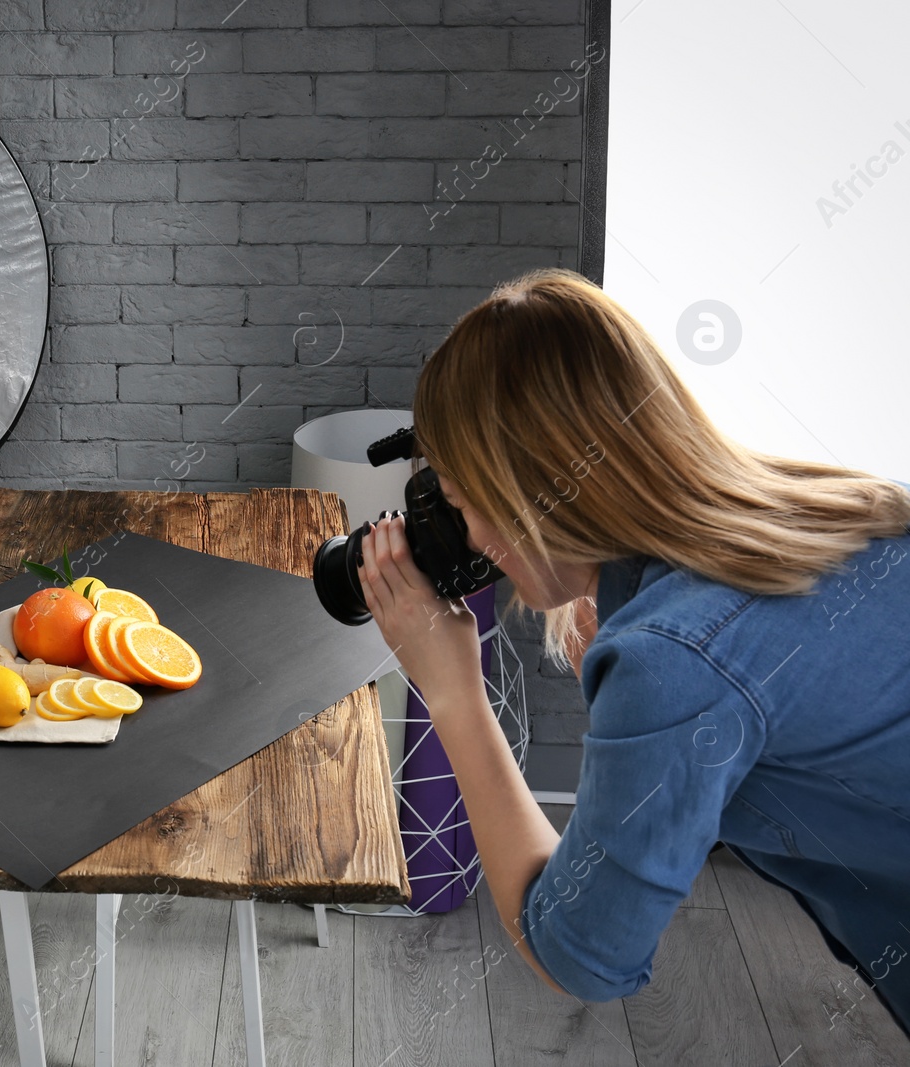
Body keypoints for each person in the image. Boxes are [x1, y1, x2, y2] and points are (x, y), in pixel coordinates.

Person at [355, 267, 910, 1035]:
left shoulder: (673, 661)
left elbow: (582, 953)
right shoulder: (848, 505)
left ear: (536, 487)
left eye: (460, 503)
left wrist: (453, 690)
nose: (472, 541)